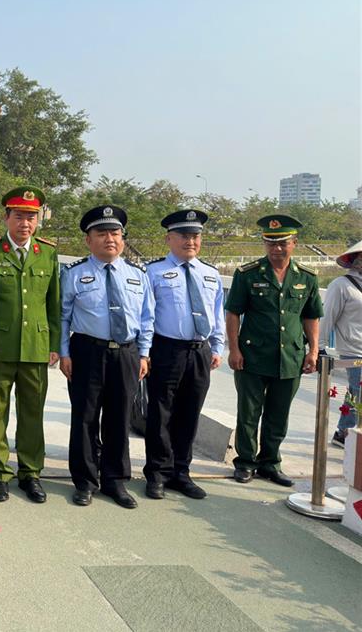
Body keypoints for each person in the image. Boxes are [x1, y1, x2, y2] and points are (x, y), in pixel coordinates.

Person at [60, 205, 154, 509]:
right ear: (88, 240)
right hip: (87, 351)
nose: (109, 239)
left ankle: (115, 481)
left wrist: (144, 354)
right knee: (85, 417)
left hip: (126, 353)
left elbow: (147, 317)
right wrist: (64, 353)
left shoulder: (138, 275)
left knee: (119, 417)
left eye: (115, 233)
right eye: (101, 233)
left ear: (123, 239)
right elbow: (62, 317)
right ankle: (85, 481)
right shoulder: (75, 274)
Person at [225, 215, 323, 486]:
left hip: (290, 358)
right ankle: (245, 462)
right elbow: (233, 313)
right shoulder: (248, 274)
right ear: (265, 244)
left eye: (282, 243)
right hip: (253, 356)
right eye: (270, 243)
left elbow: (311, 317)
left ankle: (270, 462)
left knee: (278, 415)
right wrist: (233, 350)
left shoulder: (306, 277)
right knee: (248, 413)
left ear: (294, 243)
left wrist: (313, 351)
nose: (276, 249)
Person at [0, 187, 61, 503]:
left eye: (31, 217)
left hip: (36, 346)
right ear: (6, 218)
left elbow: (53, 302)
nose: (25, 223)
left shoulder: (49, 253)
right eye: (19, 216)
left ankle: (30, 473)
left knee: (32, 413)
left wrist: (54, 342)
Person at [142, 210, 224, 501]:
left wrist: (217, 347)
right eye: (184, 236)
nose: (190, 241)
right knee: (160, 413)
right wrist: (145, 352)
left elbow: (217, 314)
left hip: (199, 352)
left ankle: (181, 472)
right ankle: (157, 473)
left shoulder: (211, 274)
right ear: (169, 238)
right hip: (167, 350)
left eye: (195, 236)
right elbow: (147, 316)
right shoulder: (153, 272)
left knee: (190, 413)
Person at [322, 240, 362, 447]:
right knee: (359, 391)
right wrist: (319, 347)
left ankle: (343, 432)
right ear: (356, 260)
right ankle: (349, 434)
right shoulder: (341, 285)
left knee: (356, 392)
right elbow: (327, 316)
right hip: (354, 350)